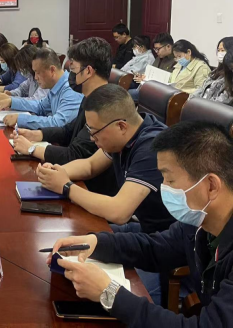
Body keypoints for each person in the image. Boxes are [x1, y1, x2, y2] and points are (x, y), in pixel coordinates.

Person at [47, 121, 233, 324]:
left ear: (211, 186)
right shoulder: (198, 222)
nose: (163, 187)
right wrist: (96, 243)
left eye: (170, 180)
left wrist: (109, 293)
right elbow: (155, 248)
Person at [37, 83, 175, 305]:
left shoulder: (151, 147)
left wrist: (66, 187)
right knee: (78, 241)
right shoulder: (125, 137)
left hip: (163, 242)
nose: (92, 138)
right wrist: (58, 172)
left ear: (121, 126)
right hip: (143, 228)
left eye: (95, 131)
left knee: (128, 300)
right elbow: (90, 166)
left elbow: (118, 212)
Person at [13, 37, 117, 197]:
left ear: (88, 71)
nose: (70, 77)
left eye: (74, 70)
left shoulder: (104, 107)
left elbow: (75, 155)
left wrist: (32, 149)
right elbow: (69, 129)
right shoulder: (90, 97)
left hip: (90, 189)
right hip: (76, 177)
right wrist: (37, 134)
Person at [0, 48, 82, 129]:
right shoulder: (55, 86)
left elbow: (58, 123)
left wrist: (21, 119)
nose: (35, 77)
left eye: (38, 72)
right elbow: (40, 106)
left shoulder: (71, 90)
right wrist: (12, 101)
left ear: (52, 70)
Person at [191, 37, 233, 105]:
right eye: (218, 50)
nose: (220, 53)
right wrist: (191, 100)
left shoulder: (230, 74)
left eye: (222, 50)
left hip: (211, 108)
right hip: (200, 105)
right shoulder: (216, 71)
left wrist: (203, 106)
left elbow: (223, 101)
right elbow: (201, 89)